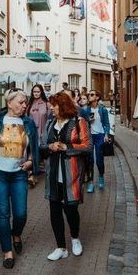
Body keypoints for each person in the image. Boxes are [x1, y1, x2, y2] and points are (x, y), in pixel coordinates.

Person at [0, 89, 38, 268]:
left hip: (19, 174)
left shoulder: (28, 123)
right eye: (21, 102)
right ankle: (7, 251)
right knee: (3, 213)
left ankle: (16, 233)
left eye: (25, 102)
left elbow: (33, 147)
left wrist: (31, 161)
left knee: (21, 214)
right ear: (9, 103)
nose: (24, 105)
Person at [43, 91, 91, 261]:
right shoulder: (49, 124)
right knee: (54, 211)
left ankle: (75, 239)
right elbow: (42, 146)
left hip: (71, 174)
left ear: (62, 106)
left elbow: (87, 146)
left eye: (54, 105)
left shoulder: (78, 122)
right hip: (53, 174)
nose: (51, 108)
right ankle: (61, 247)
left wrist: (66, 148)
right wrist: (51, 146)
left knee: (71, 209)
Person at [87, 92, 112, 193]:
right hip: (89, 136)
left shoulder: (102, 109)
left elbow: (106, 123)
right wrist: (88, 121)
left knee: (99, 160)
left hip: (100, 136)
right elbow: (83, 123)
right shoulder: (86, 109)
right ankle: (90, 182)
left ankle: (101, 176)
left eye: (92, 94)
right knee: (90, 160)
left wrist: (106, 134)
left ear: (97, 97)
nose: (90, 96)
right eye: (89, 94)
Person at [26, 84, 51, 174]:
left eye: (38, 92)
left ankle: (40, 166)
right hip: (32, 132)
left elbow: (50, 119)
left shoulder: (47, 104)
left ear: (41, 92)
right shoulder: (29, 104)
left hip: (43, 131)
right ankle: (33, 172)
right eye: (34, 92)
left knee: (42, 150)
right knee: (32, 150)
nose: (36, 94)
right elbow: (27, 119)